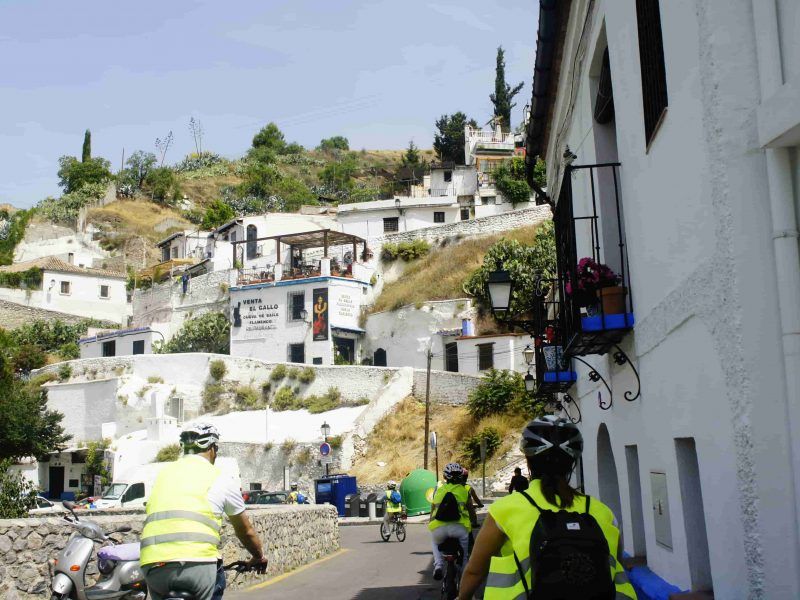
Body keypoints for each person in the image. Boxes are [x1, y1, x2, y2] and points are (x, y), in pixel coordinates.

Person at [458, 416, 637, 599]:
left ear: (528, 461)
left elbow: (475, 572)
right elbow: (614, 566)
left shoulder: (506, 510)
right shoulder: (602, 512)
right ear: (572, 463)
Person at [140, 423, 268, 600]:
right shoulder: (220, 478)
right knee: (217, 580)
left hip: (153, 565)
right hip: (198, 565)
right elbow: (245, 530)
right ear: (212, 448)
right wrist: (258, 556)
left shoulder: (162, 474)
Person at [429, 462, 473, 581]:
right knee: (464, 559)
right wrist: (473, 522)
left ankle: (438, 565)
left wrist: (430, 522)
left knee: (434, 541)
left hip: (439, 529)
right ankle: (464, 580)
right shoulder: (464, 491)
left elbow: (433, 509)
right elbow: (471, 510)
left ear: (445, 477)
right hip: (460, 529)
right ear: (460, 476)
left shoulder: (439, 490)